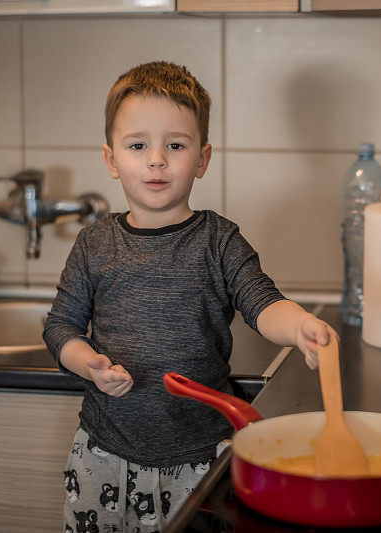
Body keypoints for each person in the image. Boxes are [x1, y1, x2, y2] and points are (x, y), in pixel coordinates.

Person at [43, 60, 336, 533]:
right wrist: (86, 363)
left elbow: (263, 303)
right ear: (111, 159)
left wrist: (299, 324)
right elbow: (60, 328)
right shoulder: (94, 244)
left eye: (175, 145)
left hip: (202, 457)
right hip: (104, 456)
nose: (156, 159)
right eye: (138, 145)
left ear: (202, 158)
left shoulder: (220, 240)